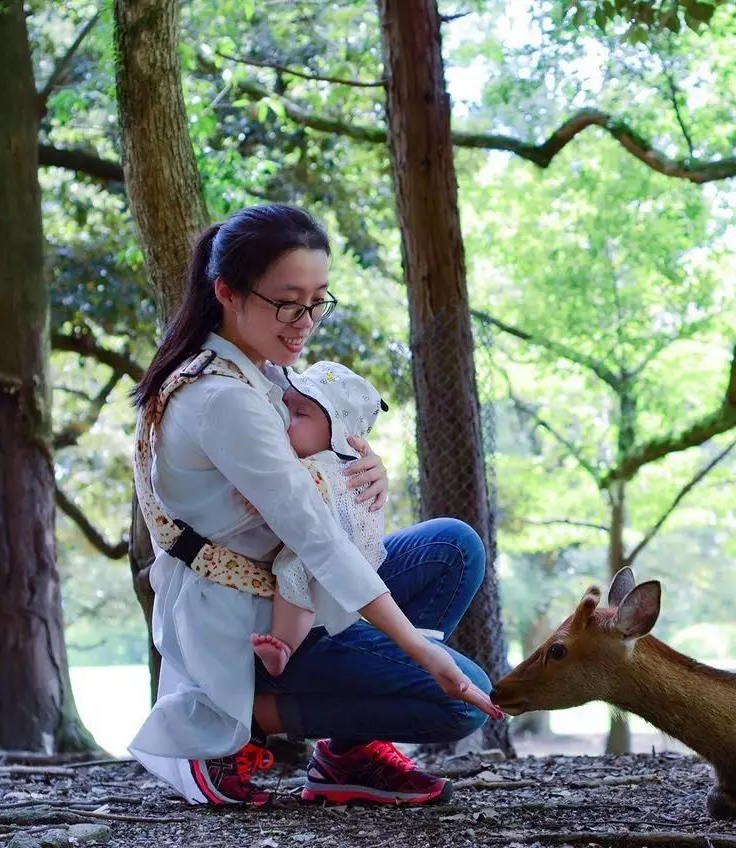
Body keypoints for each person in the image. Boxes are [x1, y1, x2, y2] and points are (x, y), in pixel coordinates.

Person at [128, 203, 503, 808]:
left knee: (450, 547)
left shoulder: (265, 369)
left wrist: (363, 465)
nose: (305, 321)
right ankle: (233, 720)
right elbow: (315, 538)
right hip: (249, 621)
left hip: (290, 587)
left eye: (318, 300)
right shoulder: (222, 397)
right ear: (227, 291)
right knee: (456, 700)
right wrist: (418, 647)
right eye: (287, 302)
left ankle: (347, 753)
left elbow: (320, 471)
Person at [251, 361, 394, 677]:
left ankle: (285, 646)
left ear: (338, 434)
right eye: (285, 408)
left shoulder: (329, 468)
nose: (286, 419)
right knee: (299, 579)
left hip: (339, 559)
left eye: (301, 414)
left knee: (297, 578)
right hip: (341, 562)